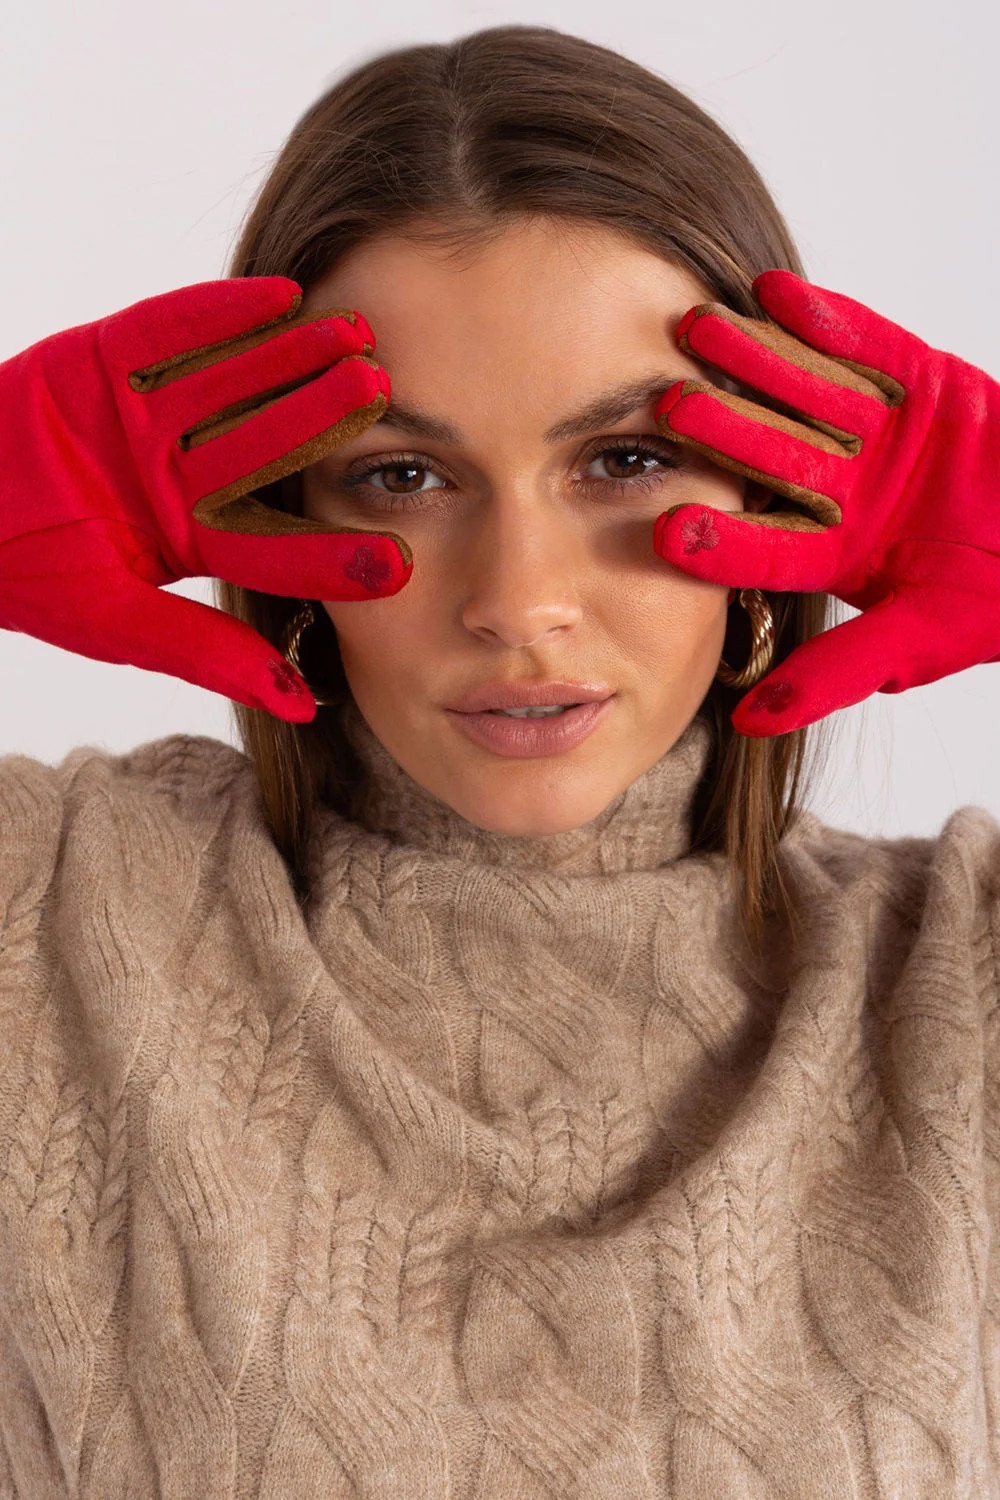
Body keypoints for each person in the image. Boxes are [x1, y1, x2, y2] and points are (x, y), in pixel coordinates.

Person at [1, 24, 998, 1499]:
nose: (517, 602)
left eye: (625, 460)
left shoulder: (958, 986)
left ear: (786, 489)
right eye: (403, 475)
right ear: (274, 509)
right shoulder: (46, 922)